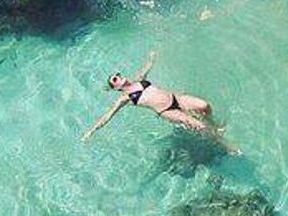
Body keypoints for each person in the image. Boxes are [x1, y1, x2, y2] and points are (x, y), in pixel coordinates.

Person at [81, 52, 236, 151]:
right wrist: (91, 131)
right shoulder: (125, 98)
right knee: (200, 126)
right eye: (115, 79)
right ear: (115, 87)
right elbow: (108, 116)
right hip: (167, 111)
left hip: (177, 99)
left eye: (118, 74)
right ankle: (227, 146)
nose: (119, 76)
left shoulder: (139, 80)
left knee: (205, 106)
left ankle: (214, 126)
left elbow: (148, 64)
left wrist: (154, 54)